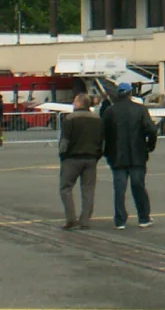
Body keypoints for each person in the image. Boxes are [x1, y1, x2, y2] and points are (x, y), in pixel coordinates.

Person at [101, 82, 158, 230]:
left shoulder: (110, 111)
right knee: (138, 186)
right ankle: (143, 217)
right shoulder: (140, 110)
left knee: (119, 189)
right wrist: (149, 146)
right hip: (137, 154)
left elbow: (103, 133)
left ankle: (120, 220)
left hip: (117, 156)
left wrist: (106, 152)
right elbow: (151, 130)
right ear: (130, 93)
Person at [58, 93, 103, 229]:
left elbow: (65, 140)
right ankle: (85, 220)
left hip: (72, 157)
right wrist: (97, 155)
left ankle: (71, 218)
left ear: (79, 103)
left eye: (74, 101)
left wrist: (62, 154)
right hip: (91, 158)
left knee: (65, 188)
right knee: (88, 190)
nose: (73, 103)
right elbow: (102, 141)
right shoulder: (97, 119)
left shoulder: (70, 119)